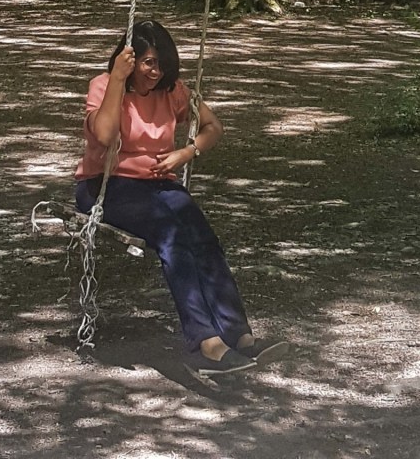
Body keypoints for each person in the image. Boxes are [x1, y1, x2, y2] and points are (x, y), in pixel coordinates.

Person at [75, 19, 287, 378]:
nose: (155, 72)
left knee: (203, 237)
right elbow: (105, 135)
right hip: (107, 188)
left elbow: (213, 128)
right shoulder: (104, 85)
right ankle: (205, 342)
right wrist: (115, 79)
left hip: (158, 187)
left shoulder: (171, 90)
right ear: (129, 60)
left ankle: (239, 335)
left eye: (162, 63)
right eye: (148, 63)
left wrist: (185, 153)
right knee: (171, 236)